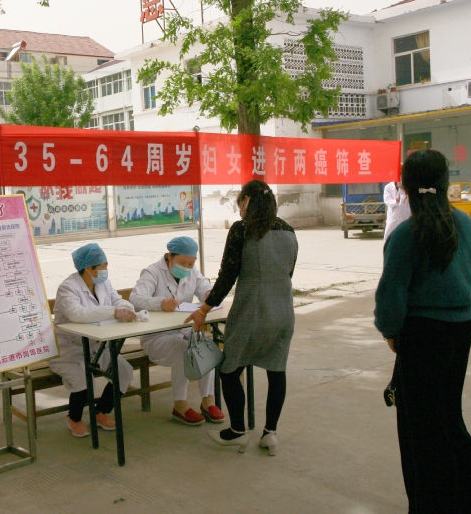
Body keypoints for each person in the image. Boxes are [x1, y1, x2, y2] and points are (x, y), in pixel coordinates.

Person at [374, 150, 471, 513]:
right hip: (461, 328)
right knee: (448, 417)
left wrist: (391, 334)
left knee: (420, 429)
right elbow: (465, 274)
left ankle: (430, 504)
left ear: (405, 188)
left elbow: (391, 298)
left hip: (421, 334)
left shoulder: (405, 235)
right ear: (446, 184)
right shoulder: (466, 225)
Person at [186, 180, 298, 455]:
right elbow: (289, 272)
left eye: (240, 205)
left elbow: (227, 276)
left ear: (247, 200)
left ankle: (237, 431)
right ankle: (270, 434)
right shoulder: (289, 231)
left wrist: (203, 310)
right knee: (276, 370)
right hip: (283, 311)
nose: (239, 211)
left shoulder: (242, 230)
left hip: (251, 311)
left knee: (229, 369)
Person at [130, 236, 224, 426]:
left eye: (191, 263)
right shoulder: (152, 272)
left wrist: (209, 294)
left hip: (182, 330)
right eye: (182, 262)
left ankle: (208, 401)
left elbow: (205, 288)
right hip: (157, 337)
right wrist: (160, 303)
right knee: (185, 350)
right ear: (170, 255)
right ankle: (180, 405)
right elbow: (136, 298)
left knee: (204, 345)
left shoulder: (192, 271)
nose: (187, 267)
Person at [49, 243, 138, 438]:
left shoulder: (103, 283)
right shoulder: (68, 287)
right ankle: (74, 419)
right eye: (103, 266)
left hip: (97, 345)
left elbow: (117, 300)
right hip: (69, 351)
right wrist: (113, 312)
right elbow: (77, 314)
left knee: (124, 372)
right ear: (89, 268)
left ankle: (100, 412)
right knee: (84, 382)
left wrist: (126, 308)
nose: (106, 269)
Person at [383, 171, 411, 241]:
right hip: (394, 216)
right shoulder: (388, 187)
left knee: (406, 235)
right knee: (390, 235)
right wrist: (395, 200)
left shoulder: (408, 186)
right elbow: (387, 201)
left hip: (406, 215)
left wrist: (404, 189)